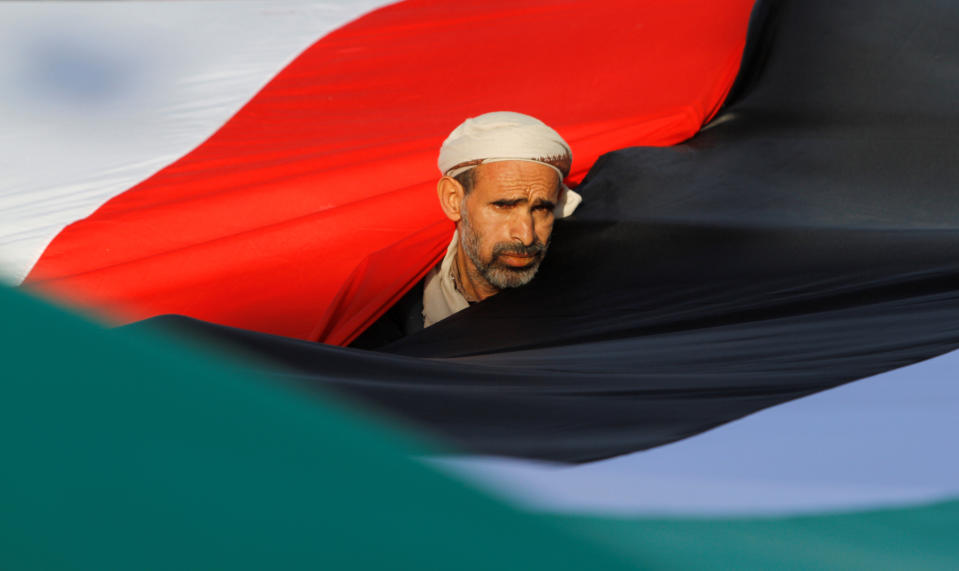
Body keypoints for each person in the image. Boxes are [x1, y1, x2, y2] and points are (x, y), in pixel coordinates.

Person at [350, 111, 581, 348]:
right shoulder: (387, 315)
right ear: (453, 200)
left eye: (542, 208)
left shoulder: (583, 302)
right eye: (503, 205)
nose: (525, 235)